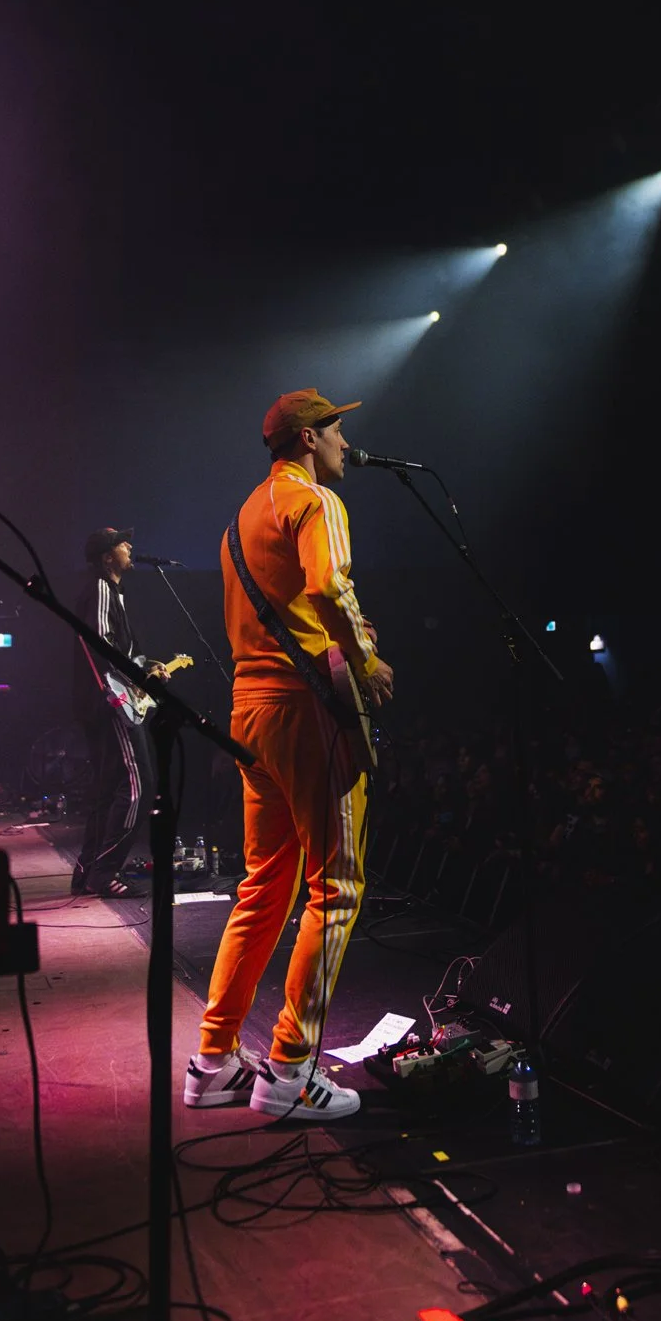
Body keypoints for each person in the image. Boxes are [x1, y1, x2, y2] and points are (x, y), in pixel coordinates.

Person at [187, 388, 393, 1121]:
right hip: (308, 712)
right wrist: (364, 660)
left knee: (263, 885)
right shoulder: (316, 505)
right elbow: (328, 585)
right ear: (308, 439)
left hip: (251, 711)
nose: (345, 443)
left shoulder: (240, 518)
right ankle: (288, 1071)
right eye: (337, 430)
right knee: (335, 888)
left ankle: (213, 1060)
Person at [71, 528, 168, 897]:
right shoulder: (99, 587)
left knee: (106, 787)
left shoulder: (113, 592)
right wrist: (134, 679)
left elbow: (117, 647)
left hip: (109, 698)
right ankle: (105, 870)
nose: (130, 546)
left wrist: (146, 669)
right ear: (106, 556)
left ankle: (86, 871)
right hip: (110, 701)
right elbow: (99, 644)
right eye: (122, 543)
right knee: (140, 786)